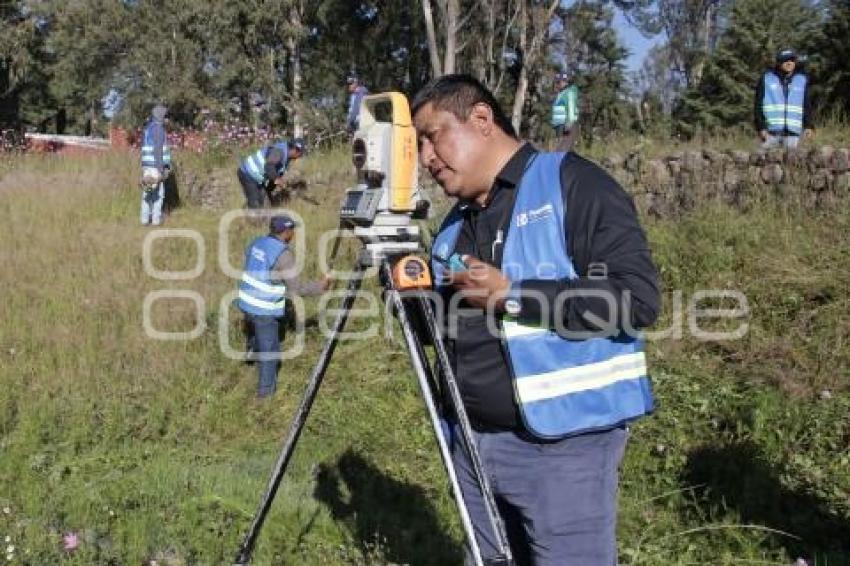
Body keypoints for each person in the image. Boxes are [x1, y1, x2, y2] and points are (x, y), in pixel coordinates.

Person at [412, 74, 660, 565]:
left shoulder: (571, 183)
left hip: (565, 451)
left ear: (481, 119)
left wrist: (515, 295)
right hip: (471, 445)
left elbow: (635, 299)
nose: (425, 157)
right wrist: (408, 293)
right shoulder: (453, 227)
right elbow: (441, 332)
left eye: (432, 135)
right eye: (418, 144)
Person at [237, 215, 330, 398]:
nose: (293, 233)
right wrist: (321, 286)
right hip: (263, 307)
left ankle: (250, 357)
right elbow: (297, 289)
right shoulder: (283, 254)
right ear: (286, 232)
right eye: (292, 230)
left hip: (246, 299)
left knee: (253, 329)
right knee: (270, 350)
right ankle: (265, 395)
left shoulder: (257, 242)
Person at [755, 48, 813, 150]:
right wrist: (761, 127)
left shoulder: (802, 80)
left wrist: (809, 126)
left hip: (793, 135)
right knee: (764, 163)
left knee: (792, 164)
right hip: (770, 134)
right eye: (785, 60)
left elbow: (807, 105)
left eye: (791, 60)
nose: (789, 63)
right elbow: (758, 105)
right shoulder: (766, 78)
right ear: (779, 62)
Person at [237, 138, 306, 210]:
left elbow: (277, 171)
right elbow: (269, 166)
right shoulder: (279, 151)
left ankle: (250, 210)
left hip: (259, 176)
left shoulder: (288, 155)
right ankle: (252, 219)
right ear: (295, 150)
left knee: (261, 199)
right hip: (248, 173)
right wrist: (277, 179)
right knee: (255, 202)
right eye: (301, 154)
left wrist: (276, 183)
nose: (300, 156)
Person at [139, 104, 171, 226]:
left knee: (147, 193)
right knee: (158, 195)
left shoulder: (148, 128)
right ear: (160, 116)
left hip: (147, 167)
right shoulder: (159, 129)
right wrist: (161, 169)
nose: (167, 119)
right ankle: (156, 221)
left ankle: (144, 220)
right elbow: (158, 150)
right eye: (165, 116)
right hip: (155, 167)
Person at [551, 71, 580, 152]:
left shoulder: (569, 92)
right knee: (560, 149)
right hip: (560, 126)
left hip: (567, 125)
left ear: (565, 82)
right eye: (556, 82)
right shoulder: (561, 94)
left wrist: (570, 122)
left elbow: (571, 107)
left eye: (558, 82)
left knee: (563, 151)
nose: (557, 84)